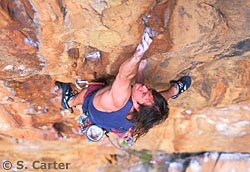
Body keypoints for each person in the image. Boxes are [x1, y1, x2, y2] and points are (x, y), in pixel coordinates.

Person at [61, 32, 191, 141]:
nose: (145, 88)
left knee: (87, 94)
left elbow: (124, 76)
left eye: (144, 93)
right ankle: (174, 90)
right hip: (119, 126)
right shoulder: (143, 111)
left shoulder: (119, 98)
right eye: (149, 90)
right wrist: (140, 71)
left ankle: (69, 102)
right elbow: (141, 91)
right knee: (158, 104)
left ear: (136, 107)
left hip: (95, 112)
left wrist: (137, 56)